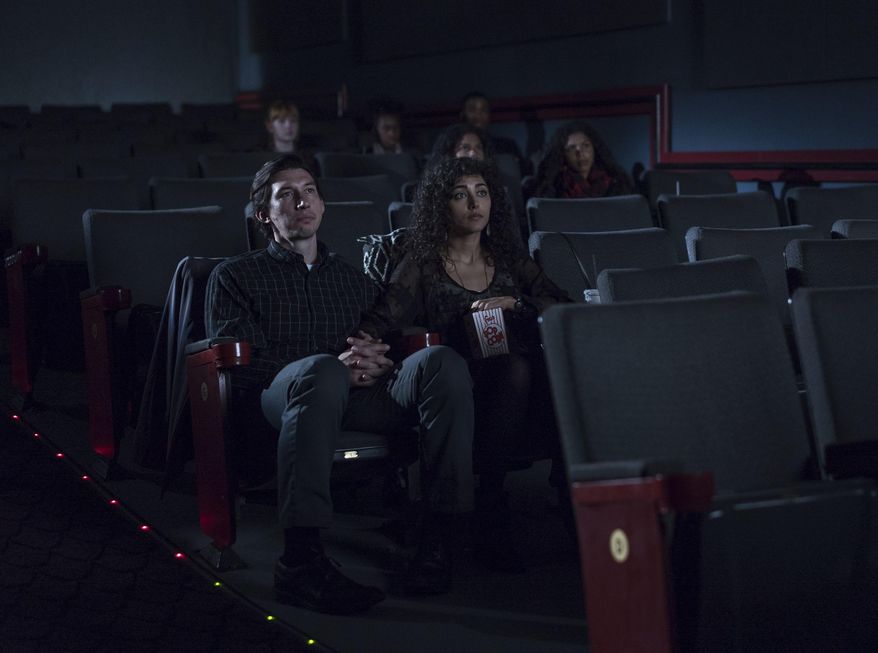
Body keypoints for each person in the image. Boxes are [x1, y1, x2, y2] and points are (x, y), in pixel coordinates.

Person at [205, 154, 475, 613]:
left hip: (358, 398)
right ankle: (300, 562)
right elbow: (240, 365)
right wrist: (333, 363)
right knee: (323, 371)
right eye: (285, 195)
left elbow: (383, 344)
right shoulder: (234, 275)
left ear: (323, 206)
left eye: (309, 190)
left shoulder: (354, 281)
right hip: (281, 398)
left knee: (440, 362)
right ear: (264, 215)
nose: (301, 201)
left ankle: (438, 537)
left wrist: (379, 363)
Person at [357, 157, 571, 572]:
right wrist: (360, 348)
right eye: (460, 195)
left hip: (524, 377)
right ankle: (491, 502)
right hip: (457, 382)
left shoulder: (508, 258)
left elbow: (563, 304)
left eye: (482, 193)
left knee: (532, 370)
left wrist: (516, 303)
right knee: (516, 371)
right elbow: (383, 317)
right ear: (442, 206)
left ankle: (533, 500)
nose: (474, 204)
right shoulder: (423, 263)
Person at [534, 120, 633, 198]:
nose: (580, 153)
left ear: (595, 149)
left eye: (585, 145)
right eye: (571, 148)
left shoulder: (615, 184)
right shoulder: (554, 188)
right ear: (563, 155)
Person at [459, 91, 528, 173]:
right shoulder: (454, 146)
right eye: (472, 109)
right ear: (462, 114)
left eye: (484, 110)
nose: (479, 114)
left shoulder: (507, 146)